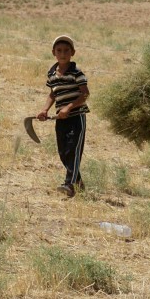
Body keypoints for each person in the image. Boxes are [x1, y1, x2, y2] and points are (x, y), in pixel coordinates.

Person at [37, 35, 90, 197]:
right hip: (61, 119)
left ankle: (70, 184)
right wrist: (45, 110)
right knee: (63, 152)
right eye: (59, 51)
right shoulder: (52, 73)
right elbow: (53, 94)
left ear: (73, 52)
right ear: (53, 52)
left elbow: (85, 94)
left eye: (66, 51)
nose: (63, 54)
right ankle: (78, 181)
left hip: (76, 117)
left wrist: (68, 107)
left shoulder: (76, 72)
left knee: (73, 150)